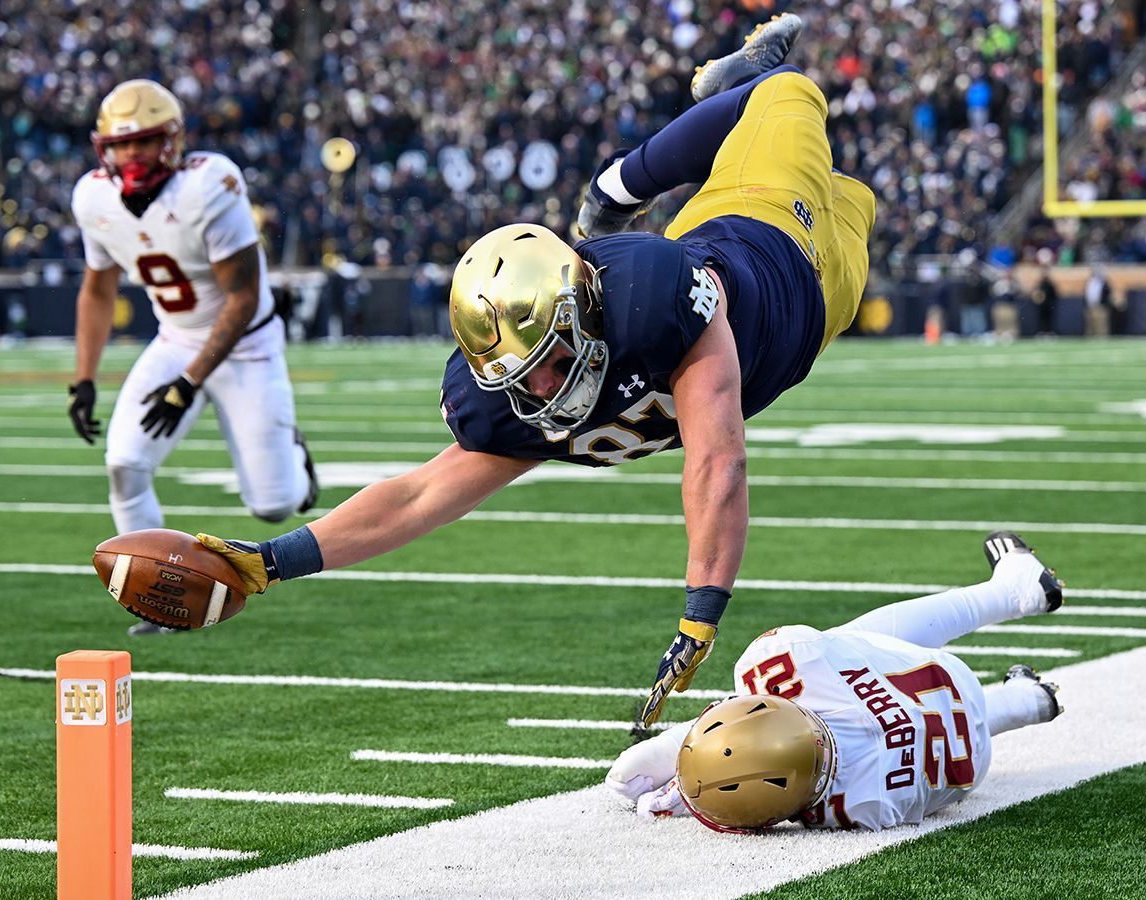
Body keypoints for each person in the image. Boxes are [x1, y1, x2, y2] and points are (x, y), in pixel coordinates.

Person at [187, 15, 875, 725]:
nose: (540, 390)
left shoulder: (655, 303)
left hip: (766, 225)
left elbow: (717, 461)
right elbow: (417, 497)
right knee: (856, 196)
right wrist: (269, 561)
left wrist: (701, 612)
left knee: (788, 94)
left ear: (584, 313)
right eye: (518, 379)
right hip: (823, 315)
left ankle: (618, 180)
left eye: (547, 364)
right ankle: (719, 133)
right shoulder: (514, 397)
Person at [66, 79, 318, 635]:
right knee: (124, 464)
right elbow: (98, 289)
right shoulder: (92, 197)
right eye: (121, 144)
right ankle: (158, 599)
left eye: (144, 142)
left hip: (247, 344)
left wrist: (188, 383)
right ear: (101, 147)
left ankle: (298, 466)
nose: (131, 155)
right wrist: (84, 378)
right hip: (176, 337)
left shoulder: (209, 184)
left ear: (173, 140)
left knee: (275, 507)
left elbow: (244, 298)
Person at [607, 531, 1064, 832]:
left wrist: (697, 790)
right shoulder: (784, 661)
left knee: (923, 716)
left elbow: (769, 781)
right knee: (846, 642)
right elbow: (751, 719)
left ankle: (1030, 700)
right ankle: (1012, 592)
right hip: (945, 677)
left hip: (972, 759)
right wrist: (673, 752)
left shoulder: (860, 809)